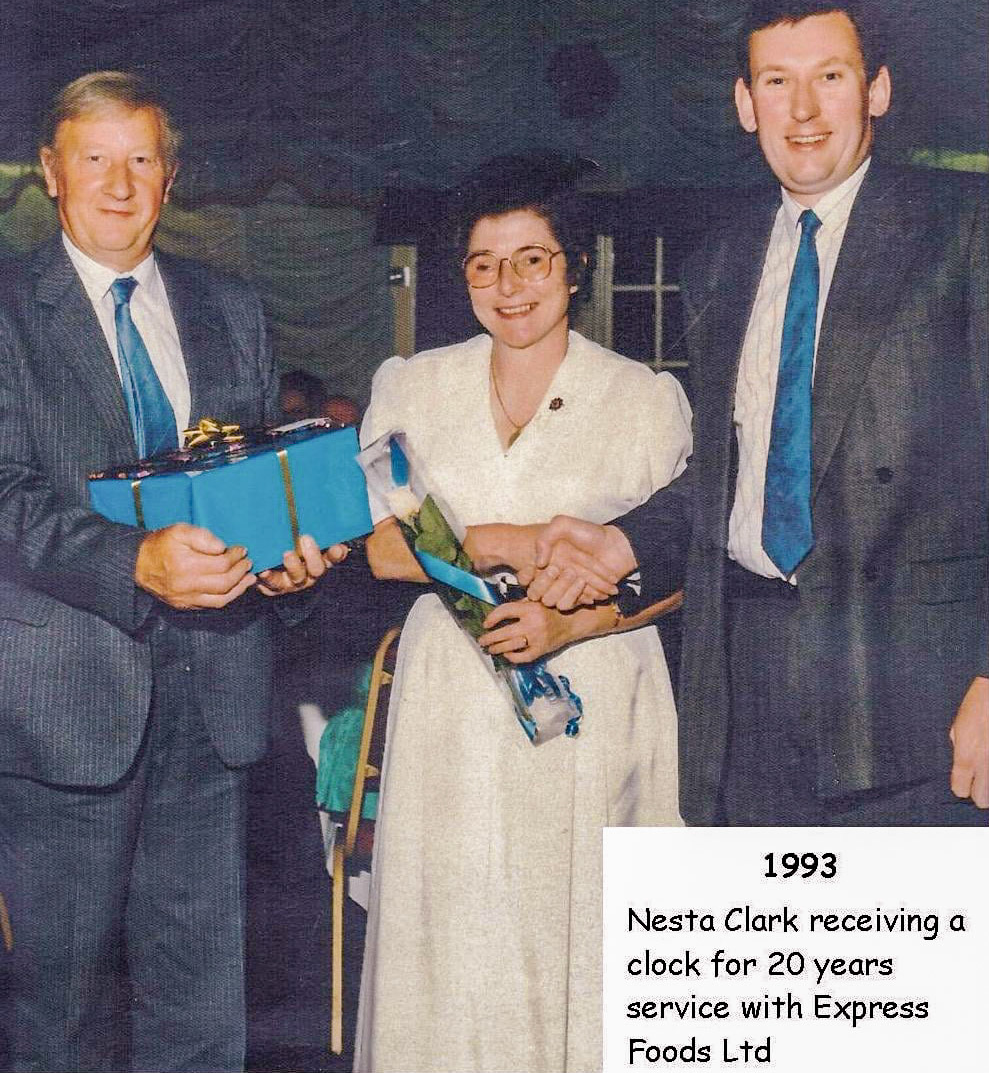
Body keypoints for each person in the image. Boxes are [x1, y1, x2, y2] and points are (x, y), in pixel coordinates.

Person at [529, 0, 988, 826]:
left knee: (907, 959)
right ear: (745, 104)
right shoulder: (722, 259)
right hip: (742, 692)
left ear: (877, 89)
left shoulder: (961, 227)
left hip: (913, 696)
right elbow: (734, 470)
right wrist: (623, 539)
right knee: (763, 956)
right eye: (775, 82)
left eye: (831, 77)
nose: (802, 110)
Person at [0, 71, 341, 1073]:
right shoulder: (7, 313)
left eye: (140, 158)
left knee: (201, 1017)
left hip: (217, 709)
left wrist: (287, 569)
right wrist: (135, 564)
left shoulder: (230, 307)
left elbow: (251, 478)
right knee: (60, 1019)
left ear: (170, 175)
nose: (118, 183)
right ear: (52, 176)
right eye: (94, 159)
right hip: (65, 718)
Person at [353, 153, 691, 1073]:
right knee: (448, 936)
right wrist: (514, 538)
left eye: (533, 259)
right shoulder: (409, 386)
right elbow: (383, 547)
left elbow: (675, 574)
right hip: (451, 696)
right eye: (483, 264)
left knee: (568, 928)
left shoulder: (643, 398)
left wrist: (562, 607)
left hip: (589, 690)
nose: (509, 286)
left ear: (573, 267)